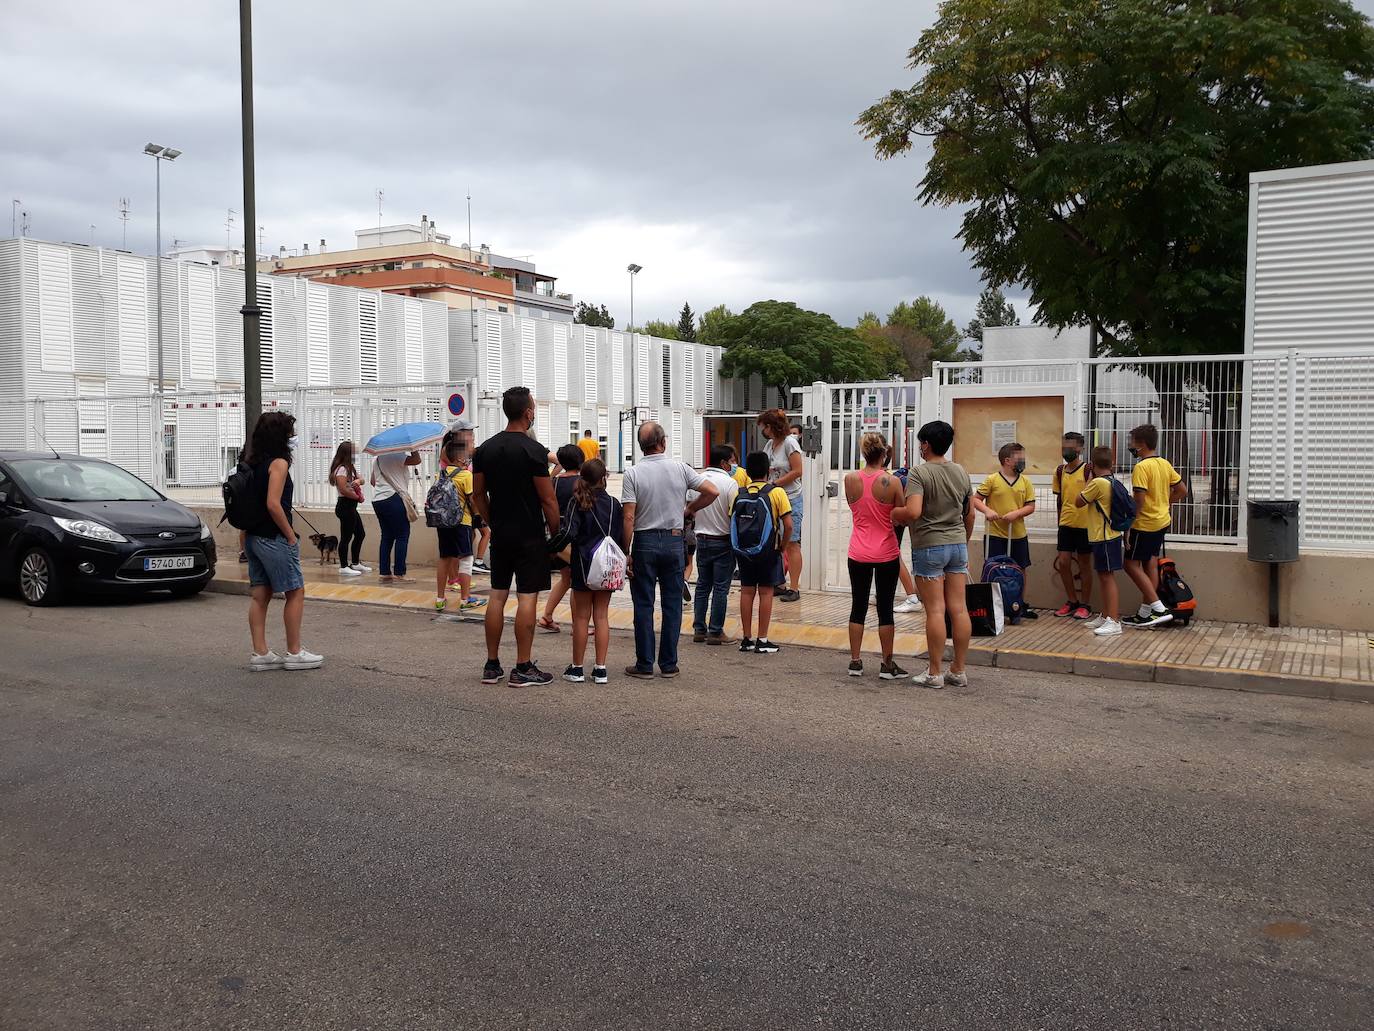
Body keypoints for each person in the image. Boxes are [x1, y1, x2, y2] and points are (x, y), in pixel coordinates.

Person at [472, 386, 561, 687]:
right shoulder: (534, 451)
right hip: (529, 536)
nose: (534, 412)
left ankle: (492, 664)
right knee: (527, 597)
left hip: (501, 534)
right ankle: (523, 666)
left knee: (497, 595)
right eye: (534, 408)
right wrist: (557, 533)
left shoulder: (485, 449)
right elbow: (548, 500)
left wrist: (491, 520)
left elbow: (478, 494)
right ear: (527, 412)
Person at [621, 420, 720, 679]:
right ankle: (668, 664)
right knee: (672, 604)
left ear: (642, 447)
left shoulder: (632, 473)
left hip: (644, 542)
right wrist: (690, 509)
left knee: (643, 604)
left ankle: (644, 664)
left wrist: (626, 550)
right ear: (663, 442)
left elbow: (629, 517)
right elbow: (712, 490)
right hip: (674, 542)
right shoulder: (680, 469)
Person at [894, 420, 974, 689]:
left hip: (929, 546)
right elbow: (970, 513)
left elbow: (913, 511)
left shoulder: (919, 473)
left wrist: (896, 513)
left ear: (926, 444)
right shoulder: (961, 471)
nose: (919, 447)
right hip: (957, 545)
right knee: (959, 609)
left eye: (920, 442)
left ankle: (934, 672)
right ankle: (959, 670)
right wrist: (963, 541)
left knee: (936, 610)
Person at [243, 411, 322, 671]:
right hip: (273, 537)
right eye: (290, 432)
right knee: (295, 591)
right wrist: (290, 535)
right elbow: (273, 504)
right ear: (280, 436)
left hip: (252, 536)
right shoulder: (278, 463)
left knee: (260, 595)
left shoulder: (251, 462)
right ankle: (294, 652)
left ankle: (261, 653)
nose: (293, 437)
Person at [844, 433, 908, 679]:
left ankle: (855, 661)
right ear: (884, 454)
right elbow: (900, 514)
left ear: (863, 454)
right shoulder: (891, 482)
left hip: (857, 550)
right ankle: (887, 663)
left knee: (857, 605)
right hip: (886, 551)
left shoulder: (850, 479)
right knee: (885, 607)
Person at [563, 458, 624, 685]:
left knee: (581, 617)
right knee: (601, 616)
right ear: (603, 478)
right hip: (607, 566)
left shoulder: (577, 501)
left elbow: (569, 532)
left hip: (583, 564)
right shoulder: (615, 504)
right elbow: (620, 534)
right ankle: (600, 669)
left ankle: (577, 668)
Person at [1123, 423, 1187, 628]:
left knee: (1130, 565)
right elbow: (1182, 490)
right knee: (1150, 563)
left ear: (1141, 444)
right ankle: (1145, 613)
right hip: (1161, 521)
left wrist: (1129, 525)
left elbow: (1139, 500)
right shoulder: (1164, 463)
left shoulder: (1141, 467)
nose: (1130, 446)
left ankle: (1159, 608)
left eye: (1132, 442)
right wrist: (1165, 502)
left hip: (1144, 524)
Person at [972, 441, 1039, 619]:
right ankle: (991, 605)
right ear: (1007, 460)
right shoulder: (992, 479)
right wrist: (987, 510)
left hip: (1017, 533)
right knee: (992, 566)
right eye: (1019, 458)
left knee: (1020, 568)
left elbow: (1031, 506)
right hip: (995, 533)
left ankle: (1018, 604)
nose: (1023, 462)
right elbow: (976, 499)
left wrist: (1016, 513)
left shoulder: (1025, 482)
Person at [734, 451, 792, 655]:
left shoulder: (739, 493)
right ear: (768, 471)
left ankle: (746, 639)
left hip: (744, 552)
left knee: (747, 591)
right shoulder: (776, 493)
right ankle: (763, 639)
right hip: (769, 551)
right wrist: (783, 546)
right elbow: (789, 525)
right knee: (766, 592)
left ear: (747, 472)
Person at [690, 444, 740, 645]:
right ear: (723, 463)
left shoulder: (698, 481)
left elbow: (689, 509)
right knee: (720, 588)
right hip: (723, 541)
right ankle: (716, 631)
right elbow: (734, 513)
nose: (734, 465)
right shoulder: (729, 483)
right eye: (732, 462)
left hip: (701, 539)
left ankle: (699, 629)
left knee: (702, 586)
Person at [1074, 445, 1126, 637]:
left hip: (1103, 537)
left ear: (1093, 465)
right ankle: (1106, 615)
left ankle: (1113, 621)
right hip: (1108, 536)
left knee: (1106, 577)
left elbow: (1078, 501)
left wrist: (1088, 482)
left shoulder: (1098, 484)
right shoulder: (1112, 481)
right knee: (1104, 577)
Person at [433, 437, 485, 614]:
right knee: (466, 559)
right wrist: (479, 515)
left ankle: (440, 599)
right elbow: (473, 500)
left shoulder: (440, 474)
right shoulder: (466, 476)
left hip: (443, 523)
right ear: (460, 458)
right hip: (462, 522)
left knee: (445, 558)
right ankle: (465, 599)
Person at [758, 408, 804, 602]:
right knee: (775, 543)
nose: (762, 430)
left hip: (791, 497)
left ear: (771, 426)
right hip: (774, 499)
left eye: (764, 426)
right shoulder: (770, 445)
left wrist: (775, 484)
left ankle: (794, 588)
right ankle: (779, 583)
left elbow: (798, 470)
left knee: (792, 543)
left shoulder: (790, 443)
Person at [539, 443, 584, 633]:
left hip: (556, 535)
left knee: (566, 578)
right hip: (575, 535)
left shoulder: (553, 482)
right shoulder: (582, 482)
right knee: (576, 580)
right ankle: (578, 625)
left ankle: (547, 616)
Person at [1051, 432, 1094, 619]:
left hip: (1085, 526)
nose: (1066, 450)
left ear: (1080, 448)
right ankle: (1071, 600)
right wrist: (1059, 521)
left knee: (1085, 565)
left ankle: (1085, 604)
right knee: (1064, 562)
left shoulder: (1088, 470)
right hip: (1066, 525)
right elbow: (1059, 498)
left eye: (1071, 446)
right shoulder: (1059, 471)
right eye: (1064, 446)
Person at [371, 447, 421, 583]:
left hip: (378, 500)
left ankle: (385, 572)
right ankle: (400, 572)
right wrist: (414, 448)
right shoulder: (397, 455)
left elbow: (373, 481)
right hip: (392, 498)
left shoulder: (378, 459)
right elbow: (417, 460)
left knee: (387, 536)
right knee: (402, 535)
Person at [885, 450, 922, 615]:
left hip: (894, 520)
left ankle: (912, 597)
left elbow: (898, 507)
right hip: (910, 518)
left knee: (893, 556)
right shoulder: (891, 477)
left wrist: (894, 515)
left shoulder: (886, 479)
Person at [329, 441, 369, 577]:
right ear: (347, 453)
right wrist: (357, 497)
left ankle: (356, 562)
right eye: (354, 452)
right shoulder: (342, 469)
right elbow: (343, 489)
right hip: (345, 505)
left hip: (351, 506)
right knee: (346, 537)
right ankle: (344, 566)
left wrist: (358, 482)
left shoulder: (350, 467)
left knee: (360, 534)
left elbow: (362, 479)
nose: (356, 454)